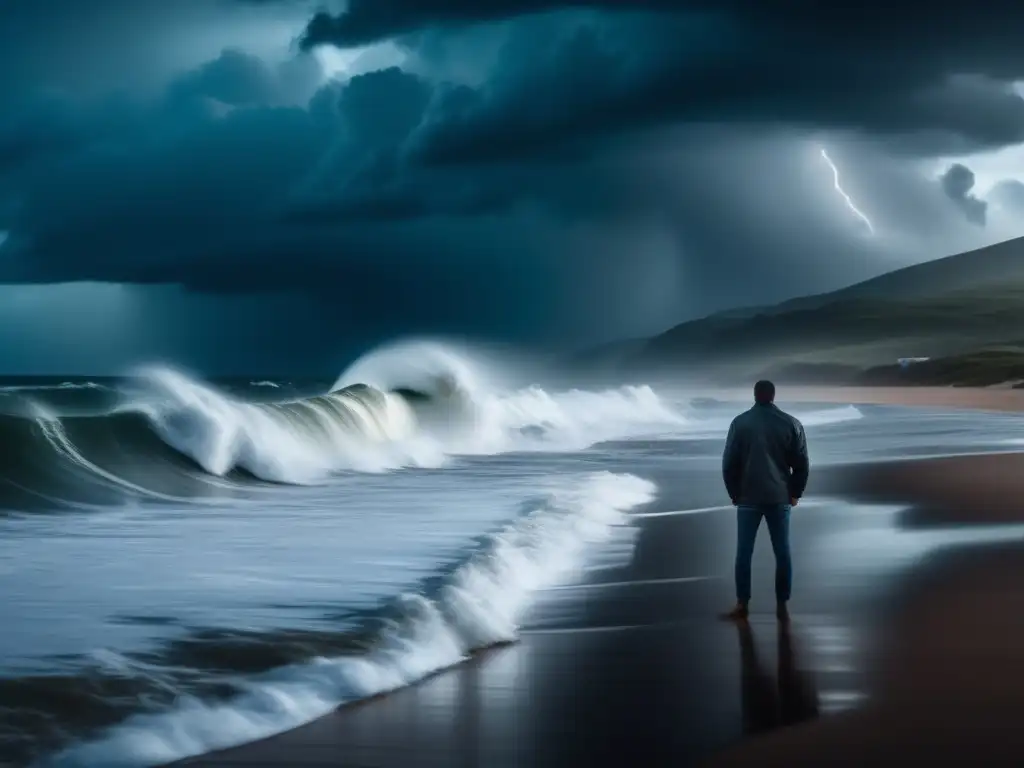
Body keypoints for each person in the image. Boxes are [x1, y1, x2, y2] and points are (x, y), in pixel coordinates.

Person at [721, 380, 809, 622]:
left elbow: (729, 463)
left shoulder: (739, 423)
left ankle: (742, 604)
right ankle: (782, 604)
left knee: (744, 552)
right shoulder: (791, 423)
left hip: (748, 497)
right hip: (779, 497)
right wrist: (795, 493)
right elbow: (801, 463)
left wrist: (734, 493)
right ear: (773, 396)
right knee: (782, 551)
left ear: (755, 395)